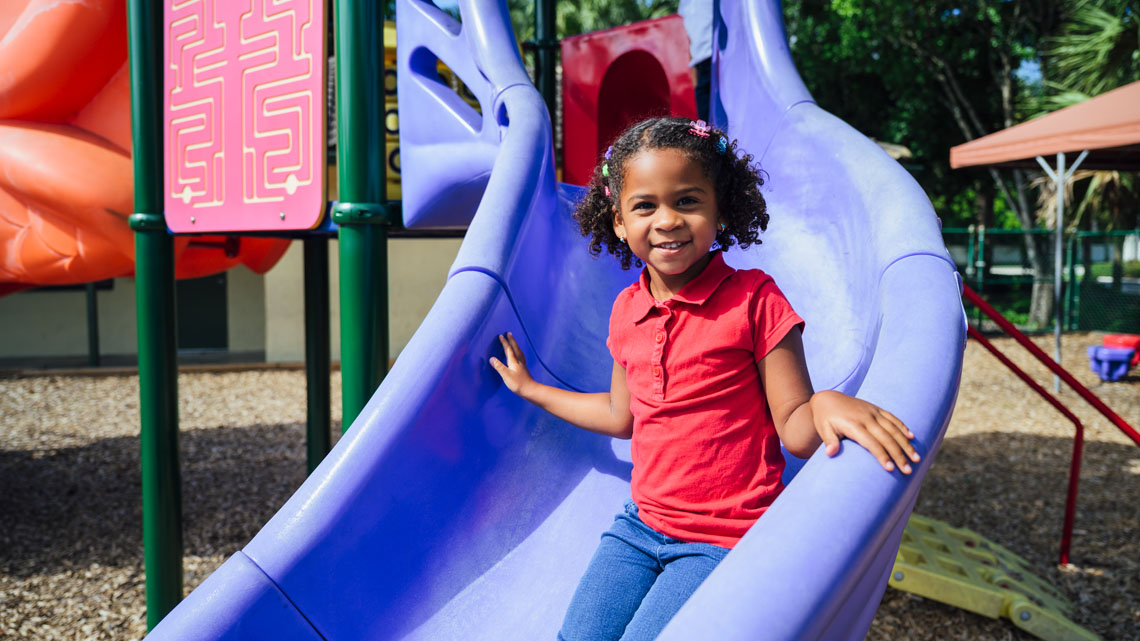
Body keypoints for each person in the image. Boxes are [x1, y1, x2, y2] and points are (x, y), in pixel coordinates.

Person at [489, 117, 919, 641]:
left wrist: (827, 403)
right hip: (639, 528)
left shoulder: (755, 300)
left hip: (723, 538)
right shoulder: (626, 310)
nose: (667, 220)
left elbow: (795, 429)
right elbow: (619, 416)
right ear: (619, 221)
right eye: (644, 206)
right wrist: (531, 389)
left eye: (688, 201)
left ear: (720, 208)